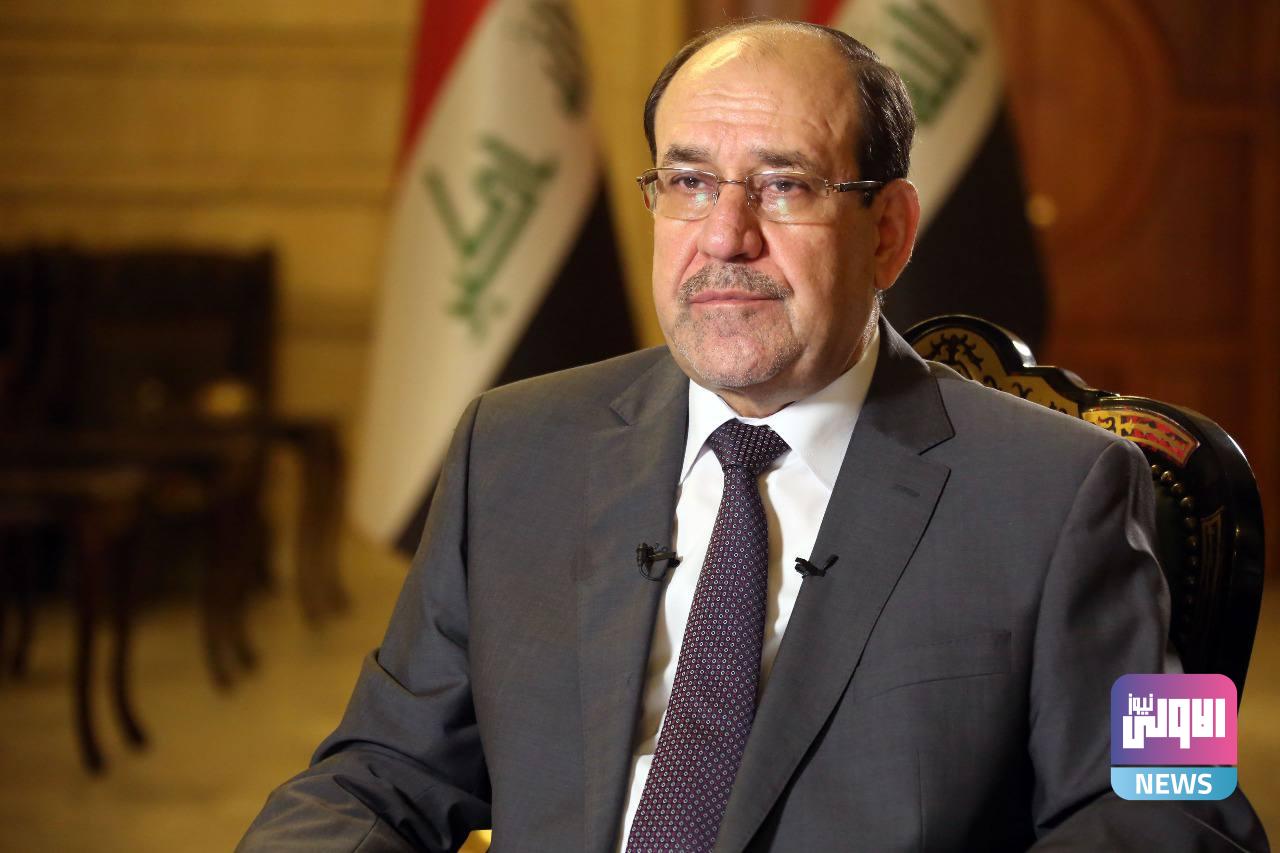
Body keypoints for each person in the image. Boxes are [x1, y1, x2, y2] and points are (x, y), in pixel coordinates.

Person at [240, 20, 1266, 852]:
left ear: (888, 232)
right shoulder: (513, 447)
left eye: (785, 185)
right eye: (688, 182)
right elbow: (380, 772)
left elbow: (1181, 806)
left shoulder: (1074, 484)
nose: (724, 237)